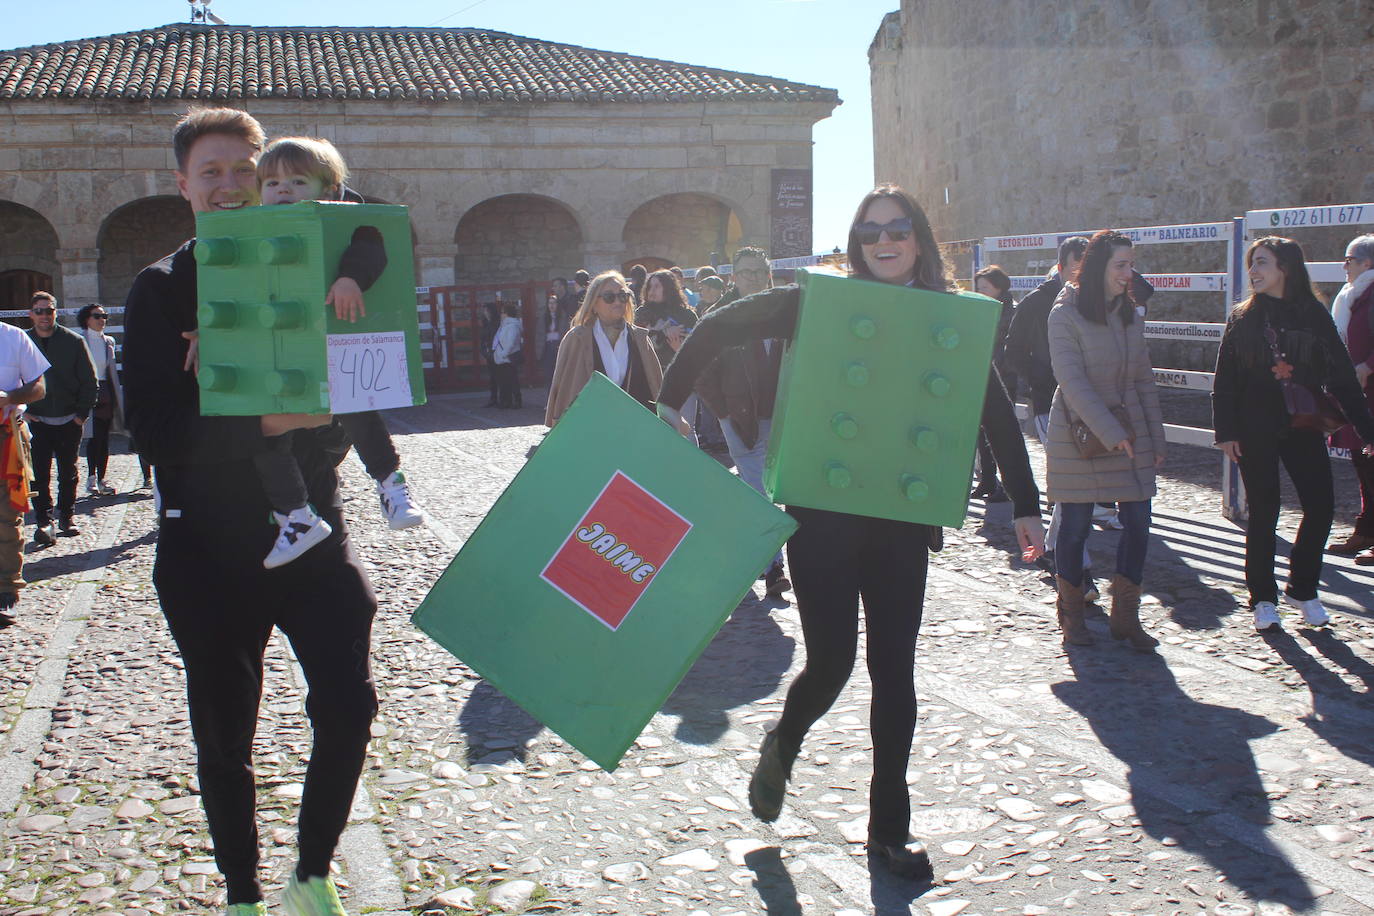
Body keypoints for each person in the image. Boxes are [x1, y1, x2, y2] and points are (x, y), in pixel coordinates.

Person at [655, 185, 1045, 880]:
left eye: (897, 228)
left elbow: (992, 406)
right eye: (869, 231)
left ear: (920, 238)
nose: (884, 239)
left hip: (899, 520)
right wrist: (668, 401)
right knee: (832, 663)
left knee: (895, 670)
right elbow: (717, 327)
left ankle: (888, 832)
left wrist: (1024, 500)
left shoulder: (950, 321)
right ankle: (785, 739)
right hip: (823, 518)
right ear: (857, 242)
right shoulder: (820, 302)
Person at [122, 106, 379, 916]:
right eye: (213, 172)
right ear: (184, 186)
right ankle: (242, 892)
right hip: (206, 548)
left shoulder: (312, 260)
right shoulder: (162, 290)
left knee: (348, 704)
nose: (231, 186)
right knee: (224, 733)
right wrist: (263, 419)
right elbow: (157, 432)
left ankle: (311, 872)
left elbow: (366, 229)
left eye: (247, 169)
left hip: (311, 535)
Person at [245, 136, 424, 568]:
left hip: (335, 344)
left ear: (331, 193)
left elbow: (370, 244)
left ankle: (390, 484)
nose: (282, 190)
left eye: (297, 181)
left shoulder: (352, 222)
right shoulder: (253, 233)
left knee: (355, 403)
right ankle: (295, 514)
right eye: (270, 183)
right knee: (265, 432)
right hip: (278, 353)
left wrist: (350, 277)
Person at [1213, 236, 1374, 630]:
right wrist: (1227, 431)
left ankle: (1302, 588)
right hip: (1255, 427)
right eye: (1252, 263)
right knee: (1264, 510)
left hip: (1302, 424)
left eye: (1262, 263)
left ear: (1286, 266)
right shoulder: (1243, 316)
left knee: (1320, 506)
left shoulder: (1314, 315)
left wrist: (1367, 429)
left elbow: (1341, 377)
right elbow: (1226, 379)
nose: (1254, 271)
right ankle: (1262, 599)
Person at [1045, 230, 1165, 650]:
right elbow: (1072, 382)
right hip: (1079, 440)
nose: (1128, 273)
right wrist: (1111, 434)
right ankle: (1072, 616)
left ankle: (1125, 618)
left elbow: (1143, 379)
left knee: (1139, 523)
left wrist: (1156, 436)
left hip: (1127, 437)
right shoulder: (1064, 315)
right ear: (1099, 268)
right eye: (1121, 265)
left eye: (1131, 264)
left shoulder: (1129, 314)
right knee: (1075, 528)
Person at [695, 246, 791, 597]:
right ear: (734, 277)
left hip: (781, 416)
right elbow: (701, 372)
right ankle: (774, 567)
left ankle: (738, 546)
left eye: (758, 272)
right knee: (758, 491)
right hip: (740, 417)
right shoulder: (720, 317)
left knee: (766, 493)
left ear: (768, 274)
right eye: (745, 272)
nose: (752, 278)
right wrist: (723, 413)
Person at [545, 271, 664, 426]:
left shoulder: (640, 339)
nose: (618, 302)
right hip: (591, 431)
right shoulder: (576, 339)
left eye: (622, 296)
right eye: (609, 297)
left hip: (635, 431)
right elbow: (563, 388)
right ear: (594, 303)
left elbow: (657, 387)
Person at [25, 291, 98, 545]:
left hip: (68, 419)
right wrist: (24, 411)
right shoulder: (22, 341)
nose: (44, 315)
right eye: (39, 311)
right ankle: (44, 520)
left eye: (49, 310)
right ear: (31, 314)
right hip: (37, 420)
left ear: (55, 312)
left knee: (68, 471)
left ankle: (67, 516)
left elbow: (90, 381)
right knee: (38, 474)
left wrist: (81, 414)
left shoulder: (73, 341)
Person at [1325, 234, 1374, 558]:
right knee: (1364, 464)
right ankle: (1366, 529)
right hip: (1359, 394)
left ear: (1367, 263)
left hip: (1369, 389)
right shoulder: (1353, 295)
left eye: (1349, 259)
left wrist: (1368, 366)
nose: (1344, 265)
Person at [0, 321, 49, 626]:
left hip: (6, 437)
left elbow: (39, 387)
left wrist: (9, 396)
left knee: (5, 517)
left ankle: (6, 590)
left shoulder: (13, 337)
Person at [971, 265, 1015, 501]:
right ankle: (987, 481)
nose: (981, 292)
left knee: (1001, 433)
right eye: (978, 288)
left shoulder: (1009, 312)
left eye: (985, 288)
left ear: (998, 288)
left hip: (1003, 377)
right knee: (980, 433)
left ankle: (1006, 487)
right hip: (981, 374)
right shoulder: (979, 310)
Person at [77, 304, 121, 497]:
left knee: (103, 437)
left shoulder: (108, 341)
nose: (102, 320)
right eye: (97, 316)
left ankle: (101, 478)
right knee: (92, 437)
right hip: (86, 391)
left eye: (104, 316)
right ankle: (91, 477)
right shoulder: (79, 341)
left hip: (105, 391)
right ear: (87, 319)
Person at [635, 269, 698, 371]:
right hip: (649, 372)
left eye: (657, 286)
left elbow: (697, 348)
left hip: (678, 371)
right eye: (650, 287)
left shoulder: (686, 315)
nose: (651, 291)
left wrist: (680, 349)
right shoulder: (641, 314)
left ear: (669, 288)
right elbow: (637, 344)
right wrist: (663, 333)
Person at [491, 302, 524, 408]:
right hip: (502, 358)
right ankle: (507, 401)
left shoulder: (512, 326)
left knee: (512, 381)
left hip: (508, 358)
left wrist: (503, 354)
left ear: (507, 314)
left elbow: (511, 342)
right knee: (504, 381)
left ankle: (516, 401)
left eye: (502, 312)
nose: (501, 314)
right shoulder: (504, 325)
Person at [536, 291, 566, 385]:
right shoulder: (543, 317)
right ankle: (550, 396)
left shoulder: (562, 316)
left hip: (559, 346)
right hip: (547, 347)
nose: (551, 305)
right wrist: (538, 352)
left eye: (554, 303)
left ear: (558, 304)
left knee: (560, 374)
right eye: (550, 303)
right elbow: (539, 335)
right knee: (549, 375)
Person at [480, 302, 502, 408]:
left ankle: (501, 398)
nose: (485, 313)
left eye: (487, 310)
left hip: (497, 352)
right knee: (492, 377)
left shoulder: (497, 323)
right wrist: (484, 351)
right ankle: (493, 398)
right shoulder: (485, 323)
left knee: (499, 376)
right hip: (489, 353)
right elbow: (483, 339)